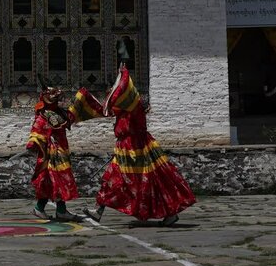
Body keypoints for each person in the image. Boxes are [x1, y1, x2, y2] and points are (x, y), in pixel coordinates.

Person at [83, 65, 196, 226]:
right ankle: (98, 210)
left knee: (151, 181)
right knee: (111, 179)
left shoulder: (133, 108)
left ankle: (170, 214)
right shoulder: (125, 109)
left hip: (136, 149)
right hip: (126, 148)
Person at [26, 76, 103, 222]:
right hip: (53, 154)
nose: (59, 100)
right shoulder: (43, 115)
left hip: (61, 150)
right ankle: (60, 211)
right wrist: (33, 143)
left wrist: (81, 99)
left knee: (51, 182)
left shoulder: (60, 113)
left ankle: (40, 208)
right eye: (56, 98)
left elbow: (71, 116)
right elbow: (37, 131)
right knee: (58, 180)